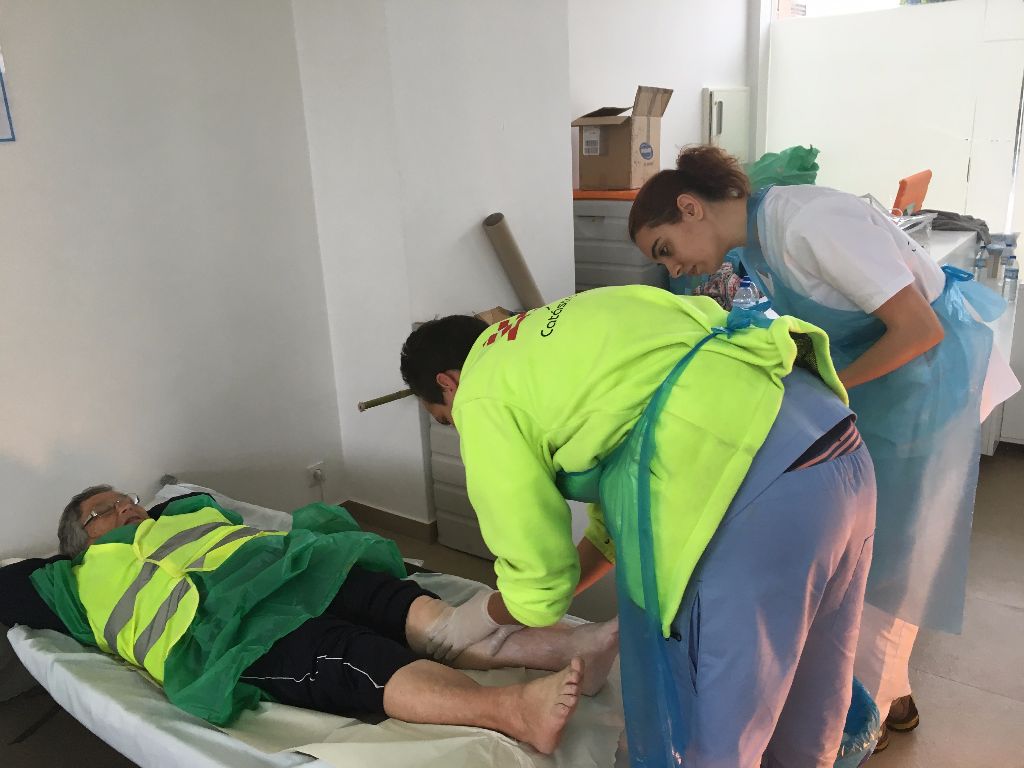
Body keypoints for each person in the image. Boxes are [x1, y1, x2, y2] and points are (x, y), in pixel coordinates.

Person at [627, 145, 1020, 751]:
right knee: (863, 551)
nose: (675, 269)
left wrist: (829, 390)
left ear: (690, 208)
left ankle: (867, 719)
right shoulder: (756, 243)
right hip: (893, 385)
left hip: (931, 380)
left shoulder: (807, 223)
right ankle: (893, 699)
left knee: (889, 565)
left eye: (665, 249)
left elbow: (920, 328)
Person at [399, 285, 877, 767]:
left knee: (718, 723)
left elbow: (538, 581)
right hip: (835, 442)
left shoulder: (480, 395)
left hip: (755, 485)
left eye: (445, 419)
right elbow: (617, 515)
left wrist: (476, 618)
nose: (457, 427)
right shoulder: (553, 326)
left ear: (448, 382)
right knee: (815, 680)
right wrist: (549, 608)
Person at [5, 485, 622, 755]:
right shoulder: (67, 581)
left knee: (405, 608)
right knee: (355, 655)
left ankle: (574, 647)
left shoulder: (181, 512)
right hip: (232, 634)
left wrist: (160, 504)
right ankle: (510, 710)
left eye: (128, 498)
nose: (126, 506)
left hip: (297, 568)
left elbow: (190, 496)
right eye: (105, 509)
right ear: (77, 540)